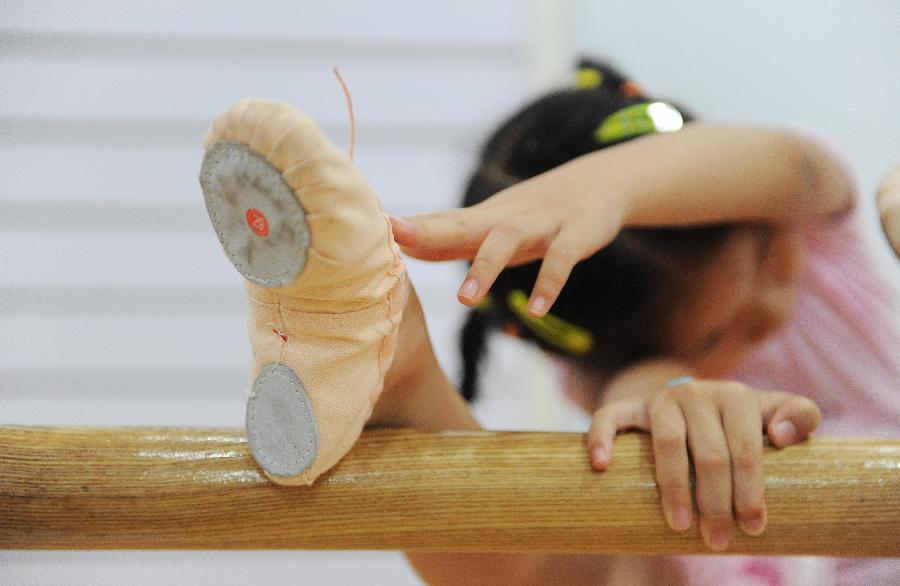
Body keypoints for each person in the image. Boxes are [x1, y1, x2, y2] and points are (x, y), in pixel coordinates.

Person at [386, 60, 900, 584]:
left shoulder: (820, 235)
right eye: (721, 332)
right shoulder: (646, 387)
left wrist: (606, 189)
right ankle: (401, 388)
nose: (771, 307)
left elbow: (794, 166)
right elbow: (641, 390)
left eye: (768, 253)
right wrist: (671, 392)